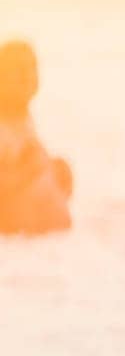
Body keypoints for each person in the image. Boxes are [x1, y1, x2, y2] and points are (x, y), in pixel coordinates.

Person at [0, 40, 73, 236]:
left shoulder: (23, 117)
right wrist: (24, 172)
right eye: (19, 70)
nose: (28, 77)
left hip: (41, 229)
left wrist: (54, 169)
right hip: (17, 227)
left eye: (32, 68)